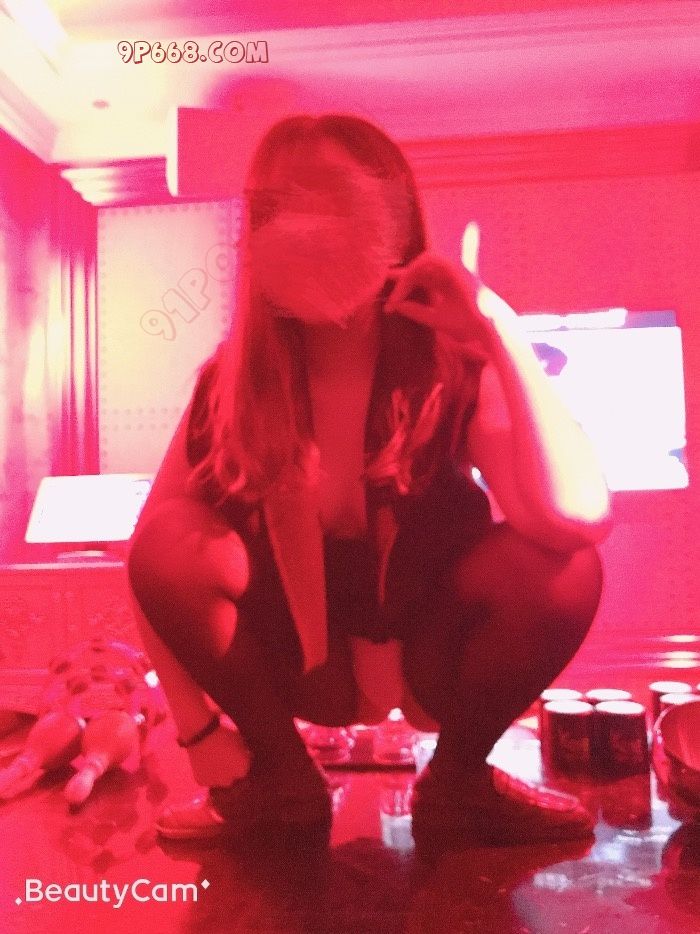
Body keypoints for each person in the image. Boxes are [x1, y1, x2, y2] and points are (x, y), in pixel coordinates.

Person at [126, 113, 611, 850]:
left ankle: (459, 784)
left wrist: (495, 325)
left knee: (566, 569)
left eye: (336, 199)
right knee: (173, 539)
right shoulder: (233, 386)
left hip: (431, 656)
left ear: (395, 219)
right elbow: (152, 560)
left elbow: (576, 518)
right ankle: (279, 782)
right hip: (299, 668)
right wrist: (197, 736)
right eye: (284, 202)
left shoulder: (452, 369)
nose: (310, 223)